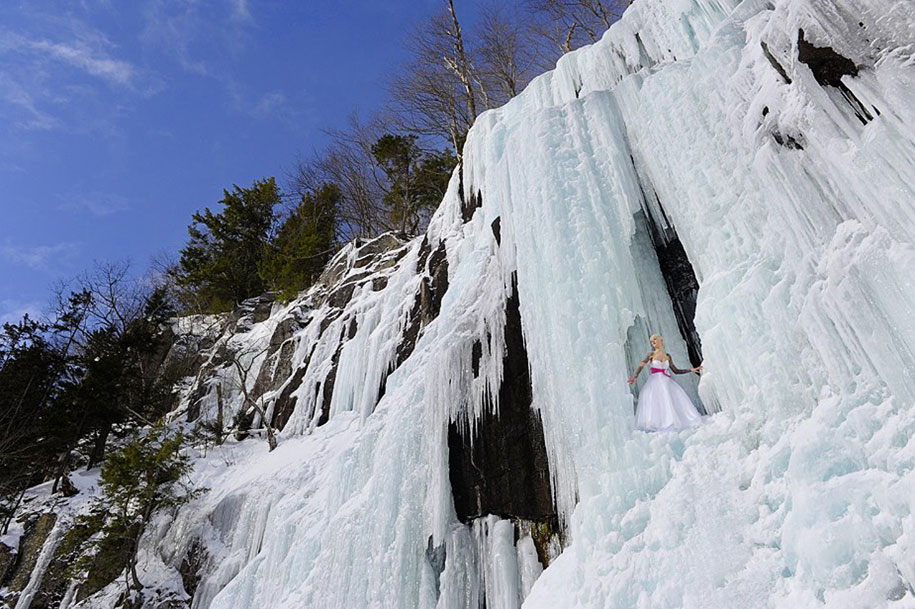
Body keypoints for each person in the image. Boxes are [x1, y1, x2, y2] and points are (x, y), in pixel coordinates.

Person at [627, 334, 704, 431]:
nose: (653, 341)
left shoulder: (668, 356)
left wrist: (691, 370)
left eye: (655, 339)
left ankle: (673, 422)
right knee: (657, 402)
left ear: (661, 340)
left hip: (667, 382)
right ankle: (658, 424)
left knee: (670, 401)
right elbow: (641, 366)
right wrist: (634, 376)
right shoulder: (651, 354)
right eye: (651, 341)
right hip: (654, 382)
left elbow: (676, 371)